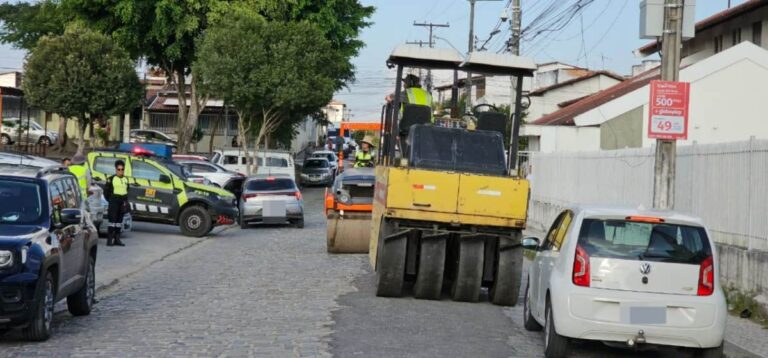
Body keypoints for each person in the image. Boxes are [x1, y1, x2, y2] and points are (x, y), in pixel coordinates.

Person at [105, 160, 129, 247]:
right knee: (112, 221)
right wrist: (111, 200)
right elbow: (106, 192)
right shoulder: (111, 179)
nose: (120, 171)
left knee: (119, 222)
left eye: (122, 169)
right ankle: (109, 240)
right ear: (116, 169)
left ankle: (117, 239)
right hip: (113, 202)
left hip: (122, 202)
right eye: (119, 169)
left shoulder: (126, 179)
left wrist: (125, 202)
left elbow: (127, 190)